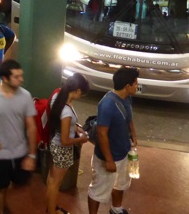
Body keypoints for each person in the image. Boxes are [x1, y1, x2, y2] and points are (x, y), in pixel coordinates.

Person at [0, 59, 37, 214]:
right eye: (17, 77)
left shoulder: (25, 96)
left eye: (21, 76)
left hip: (20, 153)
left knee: (21, 185)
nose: (21, 79)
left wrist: (31, 155)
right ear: (5, 78)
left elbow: (31, 127)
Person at [88, 67, 139, 214]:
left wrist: (133, 135)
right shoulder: (107, 105)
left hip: (124, 151)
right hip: (108, 156)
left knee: (121, 184)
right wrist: (109, 160)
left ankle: (116, 209)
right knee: (98, 190)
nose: (137, 86)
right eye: (135, 83)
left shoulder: (127, 98)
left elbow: (129, 118)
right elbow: (102, 134)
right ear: (127, 86)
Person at [47, 73, 90, 214]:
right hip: (62, 149)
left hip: (54, 143)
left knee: (51, 179)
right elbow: (65, 141)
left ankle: (51, 207)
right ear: (77, 91)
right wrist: (81, 139)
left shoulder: (57, 97)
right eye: (81, 94)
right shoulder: (66, 112)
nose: (80, 96)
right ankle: (52, 211)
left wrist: (75, 127)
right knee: (56, 183)